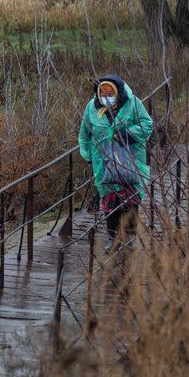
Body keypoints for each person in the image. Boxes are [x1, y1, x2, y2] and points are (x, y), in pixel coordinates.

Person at [78, 74, 153, 251]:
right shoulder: (92, 107)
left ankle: (129, 238)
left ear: (118, 92)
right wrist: (88, 155)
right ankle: (113, 238)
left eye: (110, 94)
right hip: (103, 163)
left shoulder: (132, 103)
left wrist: (126, 133)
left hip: (130, 160)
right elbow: (84, 135)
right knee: (109, 201)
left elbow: (147, 124)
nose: (106, 98)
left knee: (131, 200)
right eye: (102, 94)